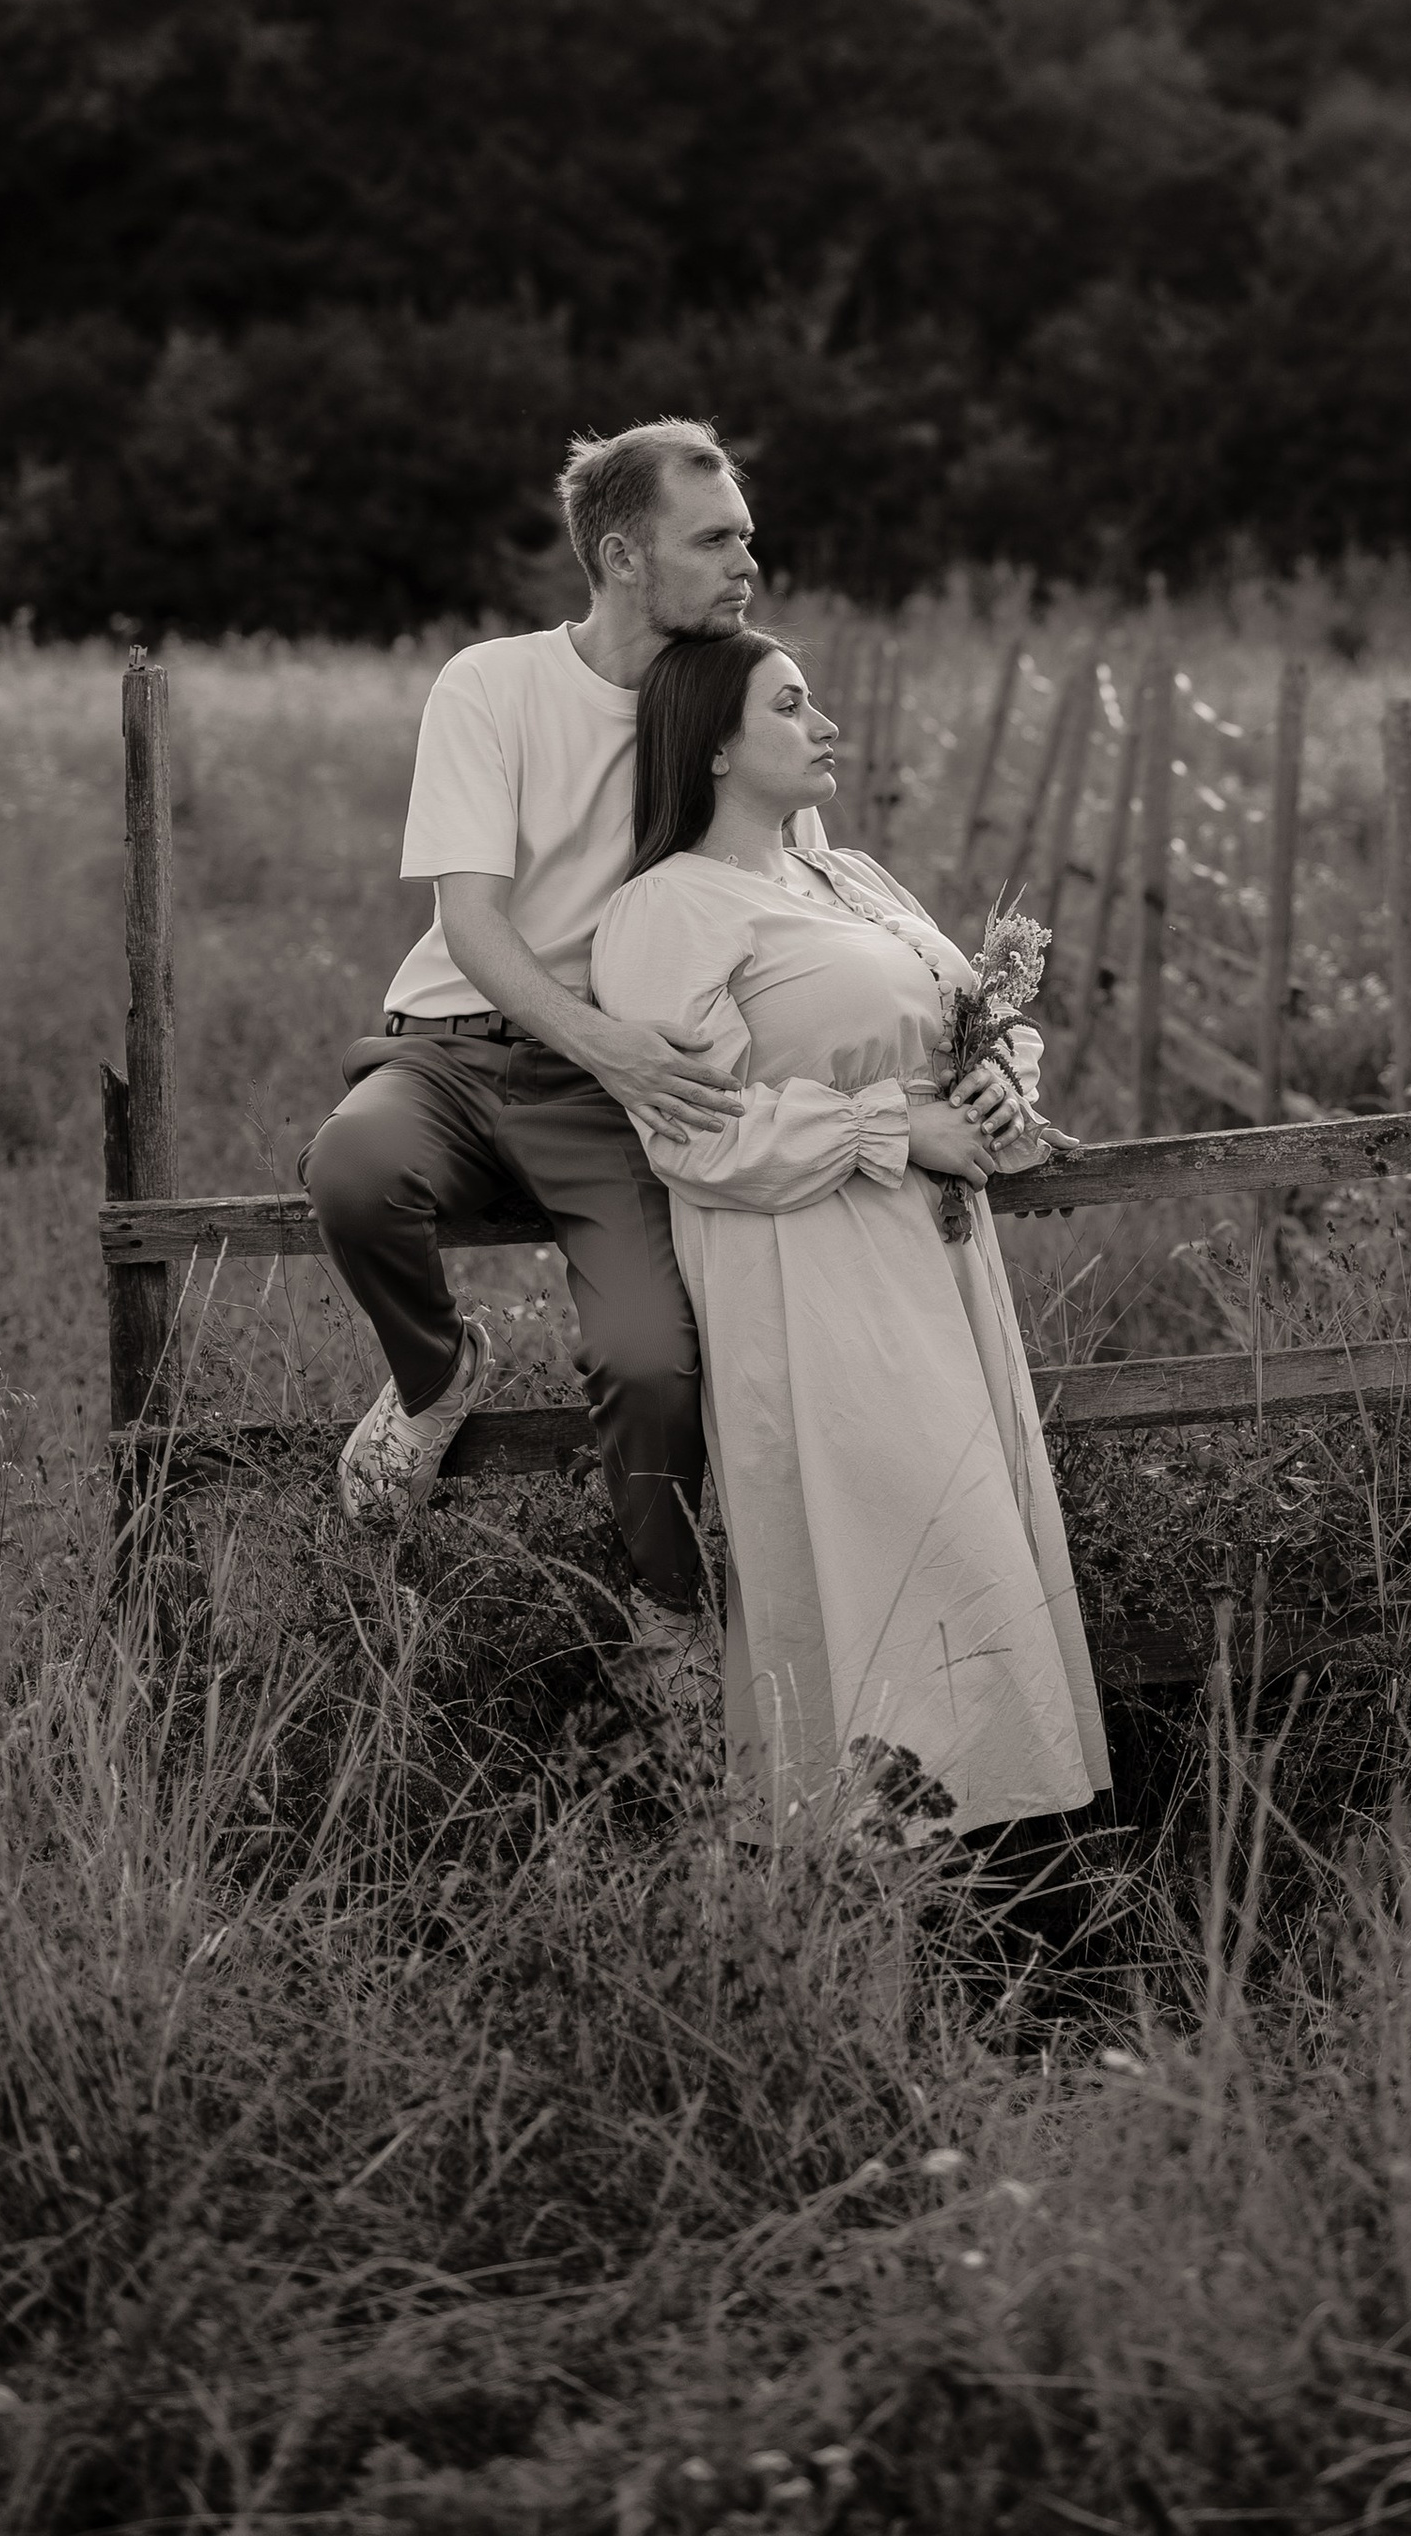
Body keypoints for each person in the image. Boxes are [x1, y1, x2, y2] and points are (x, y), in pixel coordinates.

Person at [303, 416, 815, 1675]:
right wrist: (612, 1042)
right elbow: (469, 923)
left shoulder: (728, 692)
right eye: (716, 538)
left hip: (611, 1092)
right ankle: (433, 1378)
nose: (748, 558)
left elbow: (790, 901)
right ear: (627, 553)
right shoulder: (493, 682)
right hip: (452, 1051)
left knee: (647, 1358)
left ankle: (671, 1620)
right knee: (351, 1172)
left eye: (747, 533)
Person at [590, 630, 1111, 1839]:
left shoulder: (854, 878)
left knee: (986, 1558)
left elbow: (958, 1018)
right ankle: (900, 1880)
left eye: (817, 698)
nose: (823, 722)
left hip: (938, 1270)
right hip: (816, 1283)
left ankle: (1022, 1907)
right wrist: (893, 1126)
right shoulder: (666, 908)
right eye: (789, 704)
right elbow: (695, 1135)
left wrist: (995, 1085)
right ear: (713, 744)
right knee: (913, 1568)